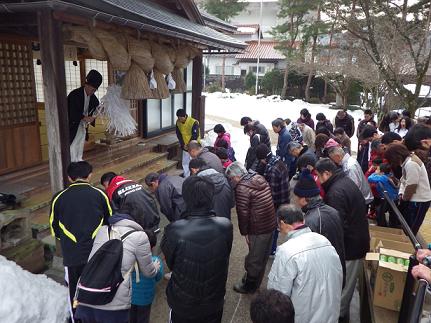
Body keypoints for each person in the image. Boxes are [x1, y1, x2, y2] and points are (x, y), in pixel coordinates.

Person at [75, 195, 160, 323]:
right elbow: (148, 272)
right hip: (112, 303)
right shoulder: (139, 236)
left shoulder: (102, 230)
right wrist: (156, 267)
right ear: (138, 219)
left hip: (86, 296)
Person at [161, 176, 233, 323]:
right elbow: (226, 253)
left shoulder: (174, 229)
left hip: (183, 303)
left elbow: (171, 263)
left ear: (186, 198)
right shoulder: (226, 225)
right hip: (214, 299)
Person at [49, 161, 112, 321]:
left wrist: (68, 239)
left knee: (74, 290)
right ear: (90, 175)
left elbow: (54, 228)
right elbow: (110, 221)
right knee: (97, 286)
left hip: (72, 255)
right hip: (98, 252)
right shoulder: (100, 194)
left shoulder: (59, 197)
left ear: (69, 178)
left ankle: (77, 317)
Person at [315, 158, 370, 323]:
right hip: (356, 240)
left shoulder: (335, 192)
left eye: (319, 175)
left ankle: (337, 316)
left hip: (351, 247)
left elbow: (338, 226)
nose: (318, 180)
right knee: (344, 284)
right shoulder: (343, 182)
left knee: (344, 286)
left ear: (327, 173)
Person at [267, 205, 343, 323]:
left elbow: (277, 295)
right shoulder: (325, 241)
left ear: (282, 223)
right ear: (302, 220)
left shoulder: (286, 251)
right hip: (331, 315)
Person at [226, 162, 276, 294]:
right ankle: (255, 280)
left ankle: (250, 286)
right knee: (262, 255)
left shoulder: (242, 188)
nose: (232, 181)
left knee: (254, 258)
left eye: (231, 178)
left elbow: (243, 214)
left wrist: (245, 233)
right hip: (270, 223)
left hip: (258, 228)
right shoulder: (257, 177)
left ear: (237, 176)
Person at [293, 169, 346, 282]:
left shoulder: (310, 221)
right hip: (338, 270)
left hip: (324, 278)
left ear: (303, 199)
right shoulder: (332, 211)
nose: (296, 201)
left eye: (296, 198)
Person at [384, 143, 431, 235]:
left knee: (411, 228)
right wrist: (401, 193)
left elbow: (411, 185)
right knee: (408, 225)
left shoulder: (411, 164)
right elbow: (404, 180)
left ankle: (409, 245)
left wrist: (404, 198)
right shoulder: (407, 161)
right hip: (414, 198)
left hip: (419, 200)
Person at [255, 144, 290, 255]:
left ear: (264, 158)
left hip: (277, 202)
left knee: (272, 226)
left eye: (261, 160)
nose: (262, 163)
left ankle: (271, 249)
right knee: (276, 225)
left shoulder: (272, 170)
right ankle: (272, 248)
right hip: (284, 198)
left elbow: (272, 193)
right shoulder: (278, 161)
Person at [68, 70, 103, 162]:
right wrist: (84, 117)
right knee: (72, 145)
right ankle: (71, 164)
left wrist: (95, 115)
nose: (93, 92)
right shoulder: (74, 95)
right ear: (86, 85)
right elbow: (71, 111)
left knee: (80, 144)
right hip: (72, 124)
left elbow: (95, 111)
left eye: (95, 90)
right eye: (92, 89)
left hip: (83, 125)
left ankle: (78, 161)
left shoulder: (94, 99)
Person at [129, 230, 163, 323]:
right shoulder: (156, 261)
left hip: (130, 297)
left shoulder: (130, 259)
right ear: (153, 246)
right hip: (146, 299)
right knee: (143, 318)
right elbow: (158, 277)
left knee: (130, 318)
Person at [368, 163, 400, 227]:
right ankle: (393, 226)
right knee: (393, 213)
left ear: (382, 172)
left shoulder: (383, 178)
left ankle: (382, 225)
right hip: (395, 198)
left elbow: (370, 178)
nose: (376, 170)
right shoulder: (390, 175)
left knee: (379, 211)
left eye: (378, 169)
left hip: (387, 198)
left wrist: (375, 173)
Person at [175, 109, 200, 177]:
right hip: (185, 146)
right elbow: (178, 134)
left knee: (194, 162)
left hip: (193, 145)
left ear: (185, 116)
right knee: (185, 162)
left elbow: (195, 135)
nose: (179, 119)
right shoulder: (178, 122)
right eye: (178, 118)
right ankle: (186, 176)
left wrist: (189, 145)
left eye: (180, 118)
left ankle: (195, 176)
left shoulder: (193, 122)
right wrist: (183, 144)